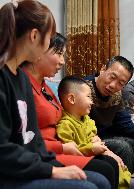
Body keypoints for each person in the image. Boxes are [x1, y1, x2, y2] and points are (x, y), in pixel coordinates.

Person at [0, 1, 110, 189]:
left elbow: (33, 142)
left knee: (99, 180)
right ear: (34, 36)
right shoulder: (3, 77)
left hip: (26, 166)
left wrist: (54, 165)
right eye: (49, 39)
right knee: (87, 187)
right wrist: (51, 171)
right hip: (8, 173)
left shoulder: (22, 79)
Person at [22, 32, 118, 189]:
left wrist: (91, 137)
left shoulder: (45, 86)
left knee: (109, 163)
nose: (62, 62)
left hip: (60, 146)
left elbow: (71, 118)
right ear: (39, 51)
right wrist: (62, 147)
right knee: (104, 170)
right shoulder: (23, 85)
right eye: (59, 54)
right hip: (48, 151)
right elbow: (25, 138)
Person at [56, 75, 131, 189]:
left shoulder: (87, 120)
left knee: (119, 167)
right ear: (72, 99)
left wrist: (100, 145)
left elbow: (94, 138)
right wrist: (91, 148)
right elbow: (70, 152)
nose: (92, 102)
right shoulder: (65, 125)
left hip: (93, 154)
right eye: (88, 97)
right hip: (80, 160)